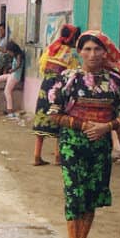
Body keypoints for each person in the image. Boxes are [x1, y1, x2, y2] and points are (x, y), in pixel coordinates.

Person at [40, 31, 120, 238]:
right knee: (74, 194)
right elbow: (53, 113)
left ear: (105, 52)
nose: (92, 54)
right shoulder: (67, 80)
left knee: (91, 196)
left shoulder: (116, 83)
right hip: (72, 146)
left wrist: (107, 127)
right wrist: (82, 125)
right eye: (87, 49)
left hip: (100, 147)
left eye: (97, 49)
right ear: (79, 52)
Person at [32, 24, 81, 166]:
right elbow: (73, 72)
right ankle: (58, 157)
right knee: (60, 118)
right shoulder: (70, 54)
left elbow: (41, 65)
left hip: (45, 85)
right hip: (59, 86)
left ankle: (37, 155)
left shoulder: (51, 49)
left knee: (41, 117)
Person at [0, 40, 25, 115]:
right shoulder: (15, 56)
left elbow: (19, 65)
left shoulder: (19, 55)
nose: (9, 53)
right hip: (12, 75)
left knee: (7, 91)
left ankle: (10, 109)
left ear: (13, 50)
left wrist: (13, 69)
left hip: (15, 76)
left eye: (9, 51)